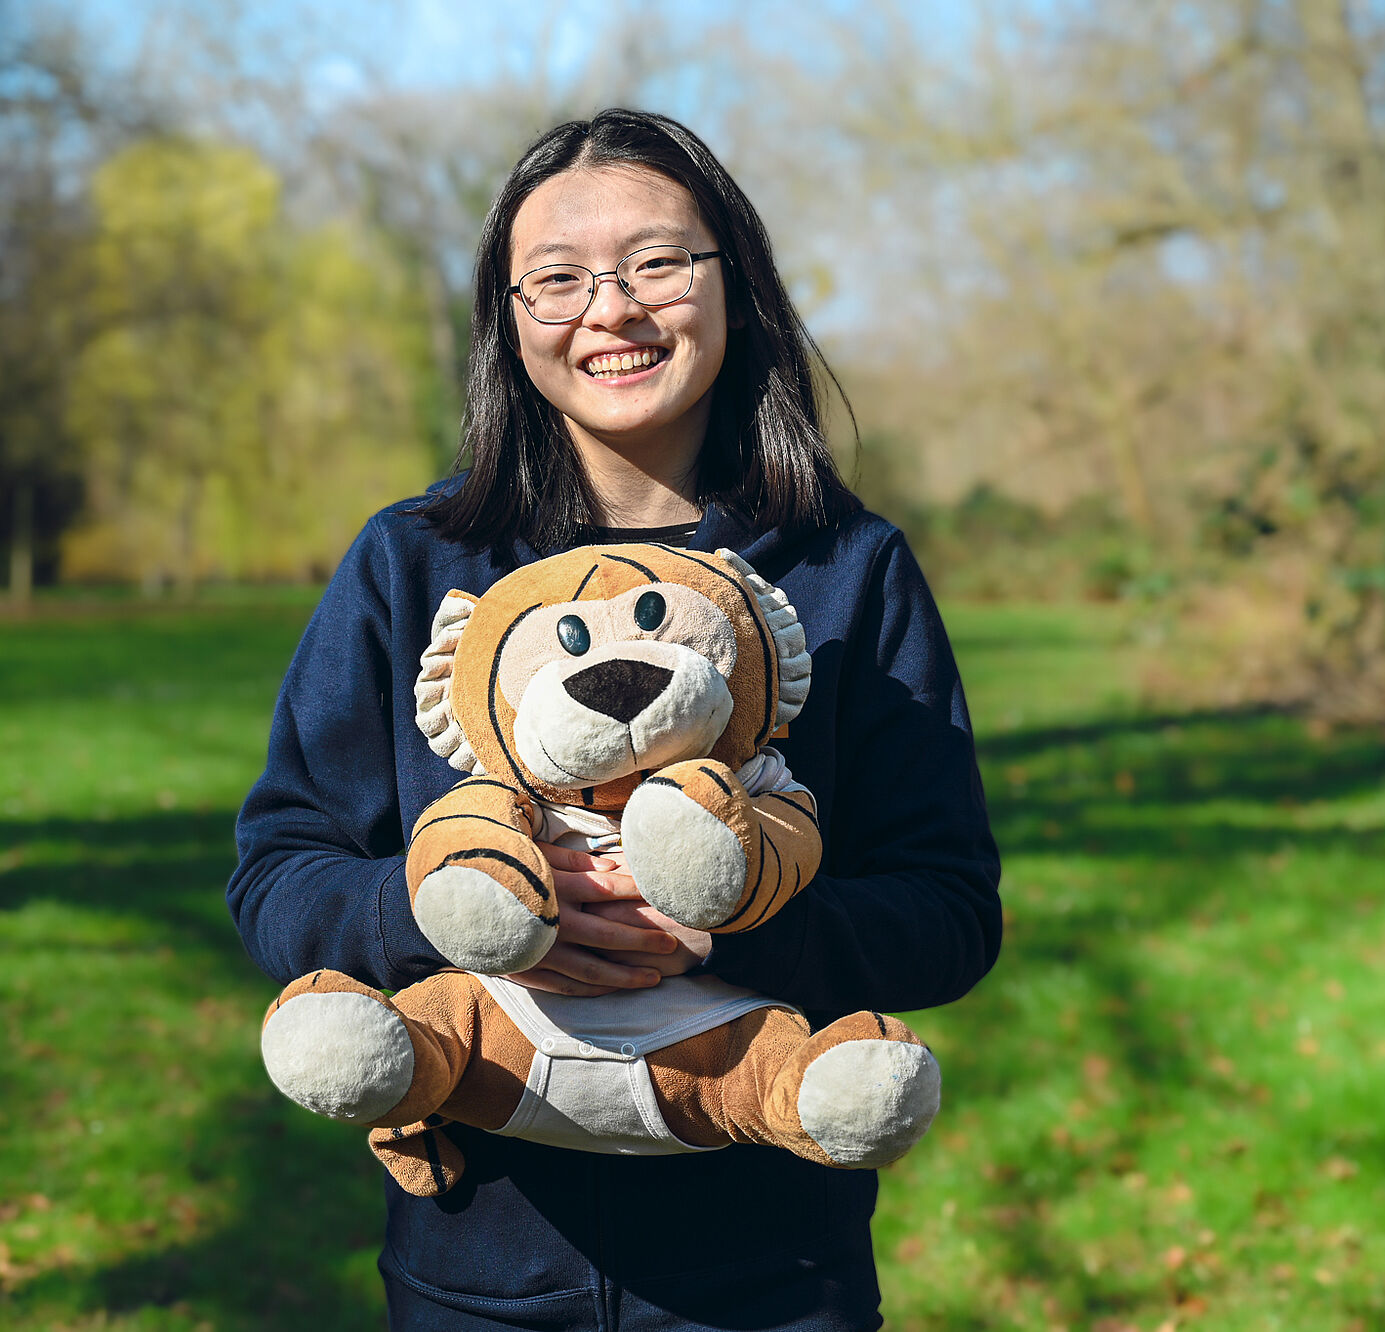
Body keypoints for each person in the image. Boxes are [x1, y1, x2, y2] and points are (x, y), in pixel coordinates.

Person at [228, 108, 1001, 1332]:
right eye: (557, 279)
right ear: (507, 319)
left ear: (733, 286)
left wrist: (726, 930)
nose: (613, 310)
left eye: (657, 263)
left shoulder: (849, 570)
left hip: (773, 1278)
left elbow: (949, 912)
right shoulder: (412, 560)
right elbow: (278, 873)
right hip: (470, 1270)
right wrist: (442, 913)